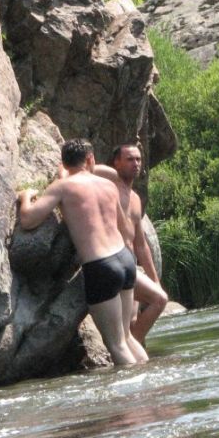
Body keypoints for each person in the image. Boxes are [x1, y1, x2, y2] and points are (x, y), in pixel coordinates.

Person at [16, 138, 148, 365]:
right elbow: (124, 226)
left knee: (116, 344)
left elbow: (28, 220)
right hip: (124, 259)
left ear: (65, 163)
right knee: (126, 336)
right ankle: (150, 377)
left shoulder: (62, 187)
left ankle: (133, 388)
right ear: (90, 159)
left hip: (101, 265)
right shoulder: (109, 185)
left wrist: (25, 197)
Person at [93, 143, 168, 346]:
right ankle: (134, 350)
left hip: (131, 267)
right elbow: (88, 170)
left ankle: (134, 351)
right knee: (159, 300)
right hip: (113, 263)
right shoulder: (110, 185)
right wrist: (110, 171)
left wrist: (155, 279)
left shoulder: (135, 198)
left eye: (138, 159)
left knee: (134, 322)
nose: (135, 163)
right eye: (129, 159)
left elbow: (141, 245)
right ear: (116, 162)